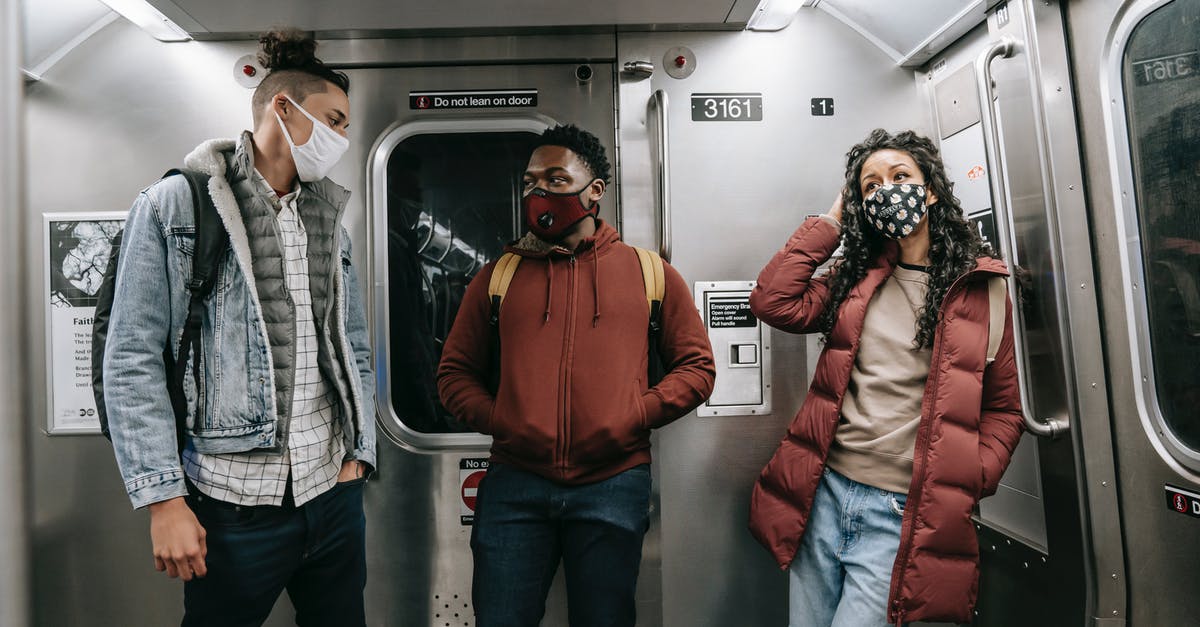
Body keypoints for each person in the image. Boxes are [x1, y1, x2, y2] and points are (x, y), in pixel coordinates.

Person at [103, 29, 375, 627]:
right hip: (232, 509)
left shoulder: (328, 219)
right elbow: (132, 357)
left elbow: (352, 343)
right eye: (334, 119)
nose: (342, 137)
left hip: (330, 498)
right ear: (284, 106)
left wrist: (360, 452)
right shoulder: (180, 205)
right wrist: (163, 499)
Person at [437, 124, 715, 627]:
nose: (539, 192)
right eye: (530, 182)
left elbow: (697, 368)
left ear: (595, 192)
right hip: (514, 485)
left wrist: (635, 414)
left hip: (613, 483)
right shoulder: (498, 275)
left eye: (557, 179)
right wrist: (503, 418)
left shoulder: (648, 272)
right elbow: (454, 373)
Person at [746, 129, 1025, 626]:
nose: (887, 190)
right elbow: (773, 302)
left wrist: (971, 473)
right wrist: (832, 221)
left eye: (900, 177)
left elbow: (1005, 407)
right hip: (825, 493)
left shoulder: (984, 292)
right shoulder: (855, 277)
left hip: (902, 510)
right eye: (871, 186)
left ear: (931, 189)